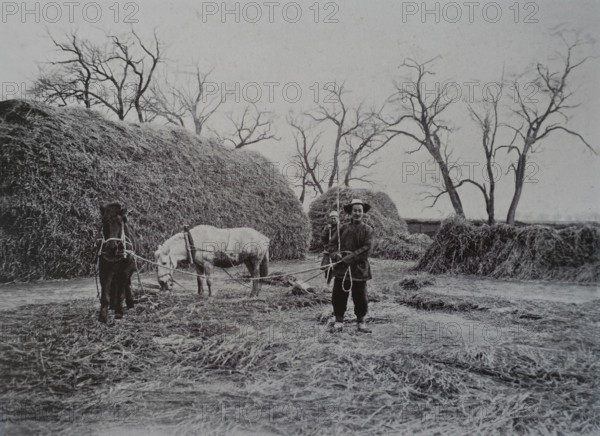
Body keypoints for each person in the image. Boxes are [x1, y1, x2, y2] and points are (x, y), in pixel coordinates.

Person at [328, 199, 374, 333]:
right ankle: (338, 322)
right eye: (355, 210)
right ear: (351, 212)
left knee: (360, 297)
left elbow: (367, 248)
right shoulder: (342, 228)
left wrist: (350, 257)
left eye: (360, 210)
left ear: (363, 212)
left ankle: (361, 323)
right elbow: (331, 245)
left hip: (359, 269)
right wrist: (336, 255)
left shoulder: (368, 230)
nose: (357, 213)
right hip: (342, 269)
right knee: (339, 295)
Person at [320, 210, 339, 284]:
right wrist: (326, 246)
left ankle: (337, 283)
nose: (333, 220)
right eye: (332, 218)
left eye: (335, 218)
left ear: (338, 218)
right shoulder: (327, 228)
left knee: (337, 267)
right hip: (328, 249)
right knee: (327, 268)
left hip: (337, 250)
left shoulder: (341, 227)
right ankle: (328, 282)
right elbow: (323, 238)